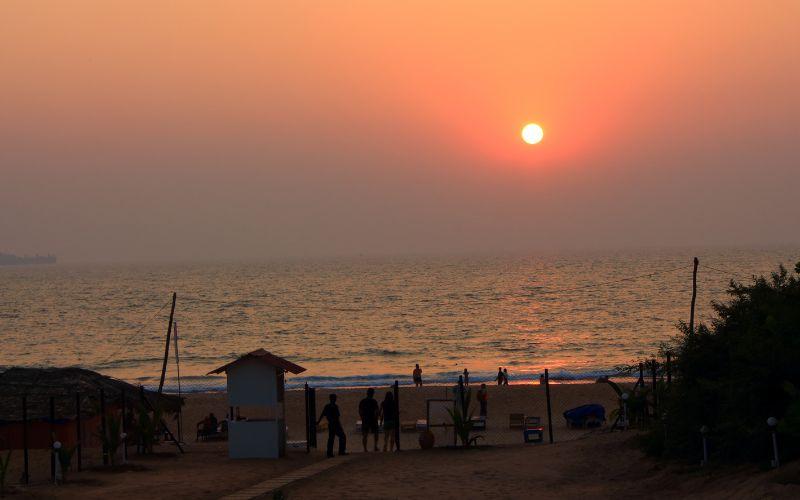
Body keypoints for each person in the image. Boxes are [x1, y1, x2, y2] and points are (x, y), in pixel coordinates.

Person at [359, 388, 380, 452]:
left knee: (365, 434)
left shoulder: (363, 401)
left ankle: (365, 449)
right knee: (376, 433)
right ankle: (375, 446)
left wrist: (362, 417)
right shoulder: (374, 401)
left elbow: (360, 411)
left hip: (365, 419)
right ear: (372, 394)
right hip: (373, 419)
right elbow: (376, 411)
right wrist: (376, 417)